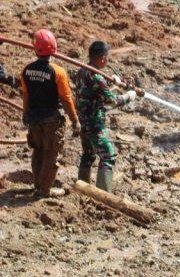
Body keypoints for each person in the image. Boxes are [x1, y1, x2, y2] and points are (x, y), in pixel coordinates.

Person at [74, 41, 143, 192]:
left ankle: (82, 189)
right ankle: (103, 195)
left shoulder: (82, 71)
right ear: (103, 59)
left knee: (88, 155)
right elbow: (111, 101)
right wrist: (128, 96)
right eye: (107, 58)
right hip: (94, 124)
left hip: (83, 122)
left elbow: (97, 92)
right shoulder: (97, 78)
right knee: (108, 156)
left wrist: (115, 83)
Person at [20, 30, 79, 198]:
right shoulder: (58, 72)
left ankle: (37, 186)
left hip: (34, 119)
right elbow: (66, 98)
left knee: (37, 151)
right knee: (51, 153)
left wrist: (26, 114)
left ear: (35, 48)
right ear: (54, 48)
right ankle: (45, 191)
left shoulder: (26, 70)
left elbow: (26, 95)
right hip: (52, 120)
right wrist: (75, 120)